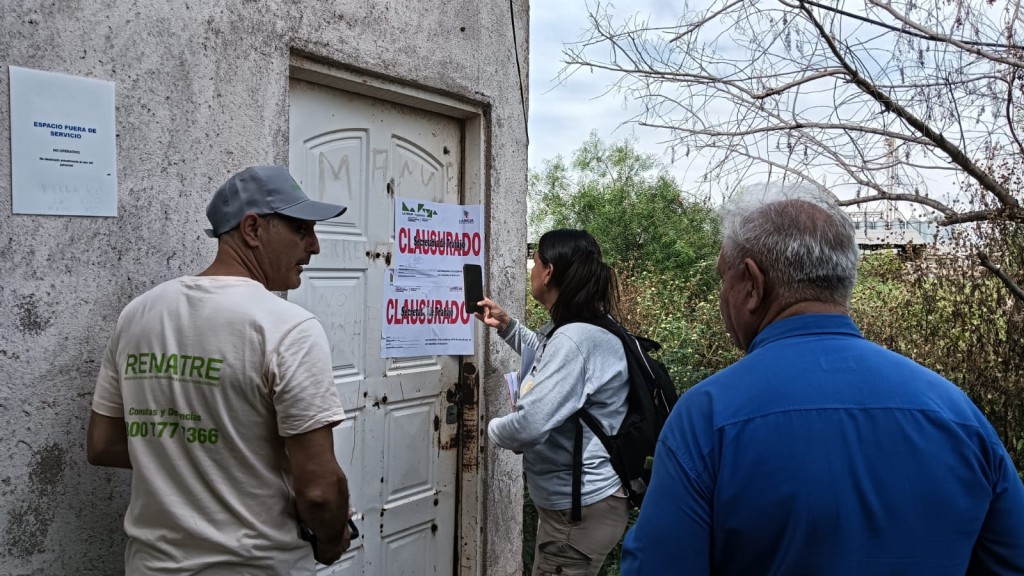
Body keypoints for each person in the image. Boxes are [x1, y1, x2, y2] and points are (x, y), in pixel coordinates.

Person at [620, 185, 1024, 575]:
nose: (722, 295)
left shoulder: (706, 418)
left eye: (723, 278)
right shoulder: (956, 412)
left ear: (753, 285)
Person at [87, 165, 354, 574]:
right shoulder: (287, 327)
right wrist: (332, 542)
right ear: (252, 229)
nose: (314, 246)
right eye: (302, 229)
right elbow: (319, 491)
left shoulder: (138, 314)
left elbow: (103, 444)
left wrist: (191, 460)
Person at [475, 229, 630, 576]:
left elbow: (529, 426)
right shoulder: (582, 327)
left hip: (577, 514)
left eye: (536, 261)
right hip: (580, 508)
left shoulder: (575, 339)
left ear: (549, 272)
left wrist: (486, 427)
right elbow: (551, 356)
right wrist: (507, 326)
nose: (531, 268)